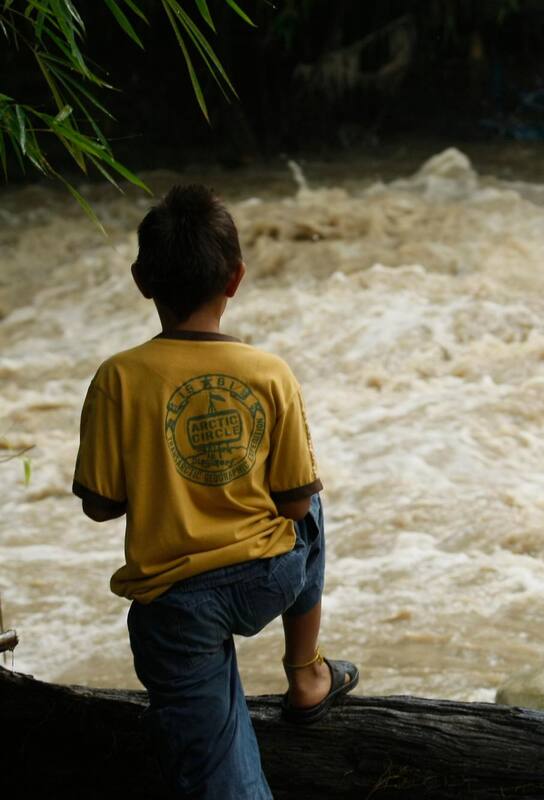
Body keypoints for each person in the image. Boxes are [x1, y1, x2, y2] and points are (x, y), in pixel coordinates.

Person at [72, 184, 358, 798]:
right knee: (311, 500)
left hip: (174, 604)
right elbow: (295, 505)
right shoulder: (269, 372)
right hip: (268, 581)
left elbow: (99, 504)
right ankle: (306, 672)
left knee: (221, 779)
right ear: (235, 279)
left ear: (141, 280)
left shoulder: (117, 378)